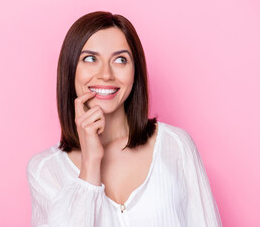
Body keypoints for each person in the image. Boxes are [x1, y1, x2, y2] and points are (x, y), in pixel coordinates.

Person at [27, 11, 223, 227]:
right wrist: (90, 164)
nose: (106, 75)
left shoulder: (175, 146)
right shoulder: (44, 171)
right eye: (91, 59)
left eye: (120, 60)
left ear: (135, 71)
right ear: (71, 68)